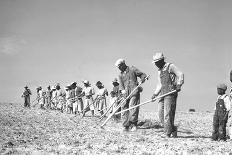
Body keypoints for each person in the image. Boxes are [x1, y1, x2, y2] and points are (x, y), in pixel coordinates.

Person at [151, 52, 184, 138]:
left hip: (171, 92)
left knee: (168, 113)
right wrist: (155, 94)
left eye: (157, 62)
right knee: (160, 112)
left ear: (162, 60)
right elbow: (159, 84)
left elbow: (180, 74)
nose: (156, 64)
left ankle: (167, 133)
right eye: (155, 63)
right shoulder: (159, 71)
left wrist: (179, 84)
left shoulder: (170, 66)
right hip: (162, 93)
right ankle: (172, 129)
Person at [115, 58, 147, 132]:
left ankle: (133, 124)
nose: (119, 68)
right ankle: (126, 125)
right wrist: (123, 92)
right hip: (125, 93)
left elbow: (142, 74)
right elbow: (121, 85)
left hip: (134, 90)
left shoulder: (132, 69)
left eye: (119, 66)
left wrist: (142, 78)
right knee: (124, 107)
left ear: (123, 64)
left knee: (133, 107)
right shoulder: (120, 75)